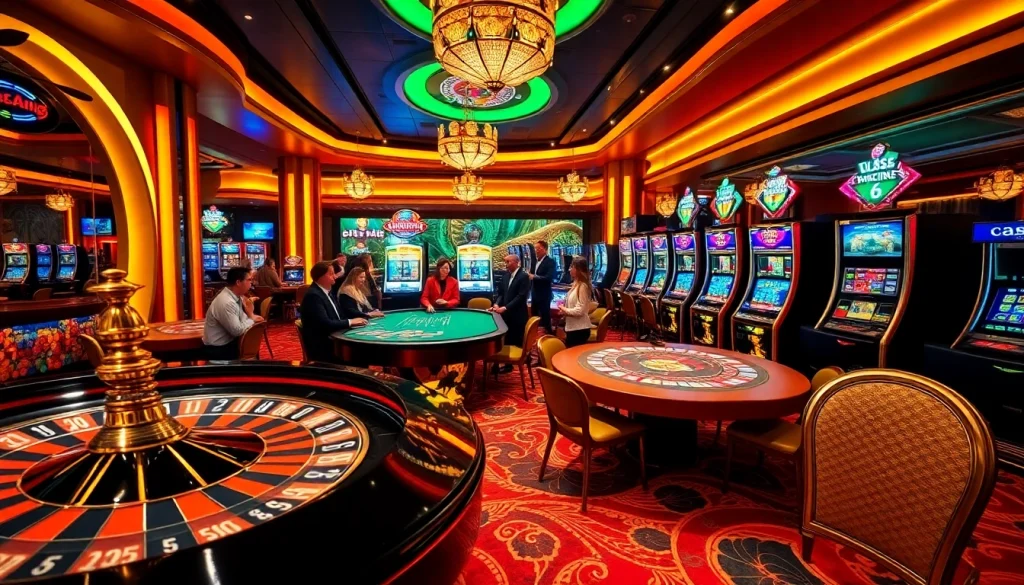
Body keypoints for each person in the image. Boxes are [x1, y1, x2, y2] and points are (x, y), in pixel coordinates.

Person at [300, 261, 367, 362]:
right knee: (360, 351)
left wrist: (354, 322)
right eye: (331, 274)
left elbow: (339, 316)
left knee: (361, 344)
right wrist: (350, 322)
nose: (335, 276)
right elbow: (324, 323)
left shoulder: (328, 292)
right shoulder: (313, 296)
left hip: (334, 338)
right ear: (321, 276)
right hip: (325, 347)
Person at [203, 266, 264, 360]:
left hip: (228, 344)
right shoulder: (226, 302)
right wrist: (251, 319)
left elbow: (243, 320)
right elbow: (237, 330)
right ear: (238, 282)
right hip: (219, 351)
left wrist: (250, 315)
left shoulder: (236, 297)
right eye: (249, 280)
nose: (251, 283)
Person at [491, 254, 530, 348]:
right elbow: (501, 293)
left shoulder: (524, 276)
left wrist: (505, 308)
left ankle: (517, 361)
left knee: (516, 344)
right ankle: (505, 362)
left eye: (508, 262)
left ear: (517, 262)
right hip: (506, 316)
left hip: (517, 316)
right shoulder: (506, 276)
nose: (506, 264)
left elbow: (521, 297)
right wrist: (496, 304)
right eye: (505, 262)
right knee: (506, 341)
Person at [560, 257, 598, 348]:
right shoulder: (576, 284)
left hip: (579, 329)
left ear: (579, 270)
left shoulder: (583, 286)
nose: (569, 269)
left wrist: (564, 309)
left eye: (572, 267)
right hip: (573, 328)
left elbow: (580, 311)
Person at [529, 240, 556, 332]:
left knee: (545, 318)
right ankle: (534, 337)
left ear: (544, 249)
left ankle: (549, 337)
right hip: (535, 294)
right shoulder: (535, 261)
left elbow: (549, 278)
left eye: (538, 248)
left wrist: (534, 277)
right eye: (535, 248)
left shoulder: (550, 262)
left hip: (544, 294)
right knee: (534, 317)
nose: (536, 250)